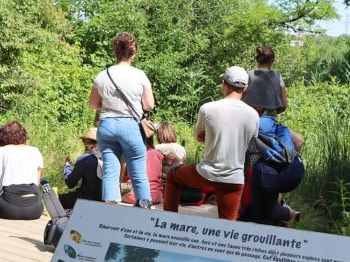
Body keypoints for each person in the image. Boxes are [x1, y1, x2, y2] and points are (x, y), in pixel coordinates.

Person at [163, 66, 259, 220]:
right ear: (245, 88)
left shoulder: (208, 108)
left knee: (173, 176)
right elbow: (251, 147)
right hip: (234, 179)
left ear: (224, 84)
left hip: (207, 173)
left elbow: (200, 136)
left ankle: (168, 222)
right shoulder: (253, 115)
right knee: (227, 226)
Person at [88, 32, 155, 208]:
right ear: (133, 52)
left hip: (107, 126)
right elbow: (149, 105)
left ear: (115, 51)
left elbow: (93, 104)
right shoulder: (139, 75)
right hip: (130, 125)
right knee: (138, 172)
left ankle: (110, 211)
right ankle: (144, 209)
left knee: (110, 169)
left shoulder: (102, 75)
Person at [239, 115, 304, 226]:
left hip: (266, 172)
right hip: (295, 169)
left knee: (262, 215)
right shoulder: (270, 123)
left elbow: (245, 166)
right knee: (257, 208)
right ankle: (286, 213)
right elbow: (299, 141)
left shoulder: (245, 124)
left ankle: (288, 214)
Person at [0, 121, 44, 220]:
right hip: (35, 209)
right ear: (24, 136)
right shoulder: (35, 151)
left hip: (8, 209)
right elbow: (36, 183)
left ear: (2, 136)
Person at [59, 128, 103, 209]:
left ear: (89, 141)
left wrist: (67, 166)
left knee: (58, 199)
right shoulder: (107, 158)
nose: (83, 143)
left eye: (84, 141)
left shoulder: (84, 159)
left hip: (85, 200)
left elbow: (70, 183)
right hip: (102, 201)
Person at [242, 46, 287, 117]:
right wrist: (271, 112)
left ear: (257, 60)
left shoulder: (248, 75)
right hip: (269, 120)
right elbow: (284, 105)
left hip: (248, 118)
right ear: (272, 60)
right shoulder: (278, 77)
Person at [121, 136, 164, 205]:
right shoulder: (159, 154)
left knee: (120, 183)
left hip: (131, 196)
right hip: (155, 196)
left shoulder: (128, 152)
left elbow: (121, 178)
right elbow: (159, 176)